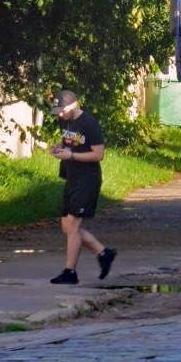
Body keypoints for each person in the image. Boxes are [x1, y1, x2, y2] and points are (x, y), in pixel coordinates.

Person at [47, 89, 116, 285]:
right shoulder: (65, 120)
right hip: (72, 178)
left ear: (73, 105)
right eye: (58, 112)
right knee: (67, 227)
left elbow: (98, 154)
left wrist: (71, 156)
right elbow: (69, 140)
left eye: (62, 111)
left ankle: (70, 272)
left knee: (73, 226)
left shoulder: (89, 123)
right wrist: (59, 147)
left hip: (87, 180)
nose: (60, 115)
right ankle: (104, 253)